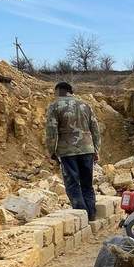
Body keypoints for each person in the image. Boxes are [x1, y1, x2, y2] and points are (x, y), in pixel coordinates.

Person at [45, 82, 100, 221]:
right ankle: (92, 215)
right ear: (71, 91)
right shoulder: (85, 105)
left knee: (73, 184)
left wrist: (52, 151)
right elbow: (95, 129)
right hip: (88, 149)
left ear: (58, 91)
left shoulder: (55, 106)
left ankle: (82, 217)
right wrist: (96, 149)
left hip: (67, 151)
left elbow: (52, 131)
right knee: (87, 184)